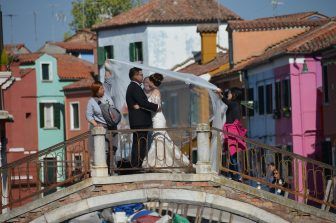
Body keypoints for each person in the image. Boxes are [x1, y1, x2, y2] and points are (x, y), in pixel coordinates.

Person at [135, 73, 191, 171]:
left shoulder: (156, 91)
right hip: (155, 118)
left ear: (153, 82)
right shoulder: (153, 91)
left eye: (150, 81)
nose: (148, 83)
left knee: (159, 139)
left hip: (158, 118)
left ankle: (159, 162)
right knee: (161, 139)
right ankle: (161, 161)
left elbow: (157, 107)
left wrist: (142, 107)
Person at [126, 67, 159, 168]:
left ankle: (137, 164)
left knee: (139, 143)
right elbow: (141, 102)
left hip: (139, 121)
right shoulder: (134, 87)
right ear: (135, 76)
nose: (142, 76)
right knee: (140, 144)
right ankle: (137, 165)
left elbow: (140, 103)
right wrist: (155, 107)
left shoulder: (134, 87)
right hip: (139, 121)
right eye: (140, 74)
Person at [86, 67, 117, 171]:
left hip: (113, 126)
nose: (103, 90)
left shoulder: (107, 94)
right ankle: (105, 171)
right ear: (96, 91)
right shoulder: (92, 101)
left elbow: (108, 80)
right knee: (105, 150)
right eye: (101, 89)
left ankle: (112, 169)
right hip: (102, 127)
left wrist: (107, 67)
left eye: (103, 88)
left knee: (114, 148)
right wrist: (96, 124)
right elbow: (89, 116)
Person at [217, 87, 247, 181]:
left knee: (233, 153)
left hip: (232, 132)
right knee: (231, 153)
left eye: (229, 93)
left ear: (234, 94)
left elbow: (227, 103)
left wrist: (221, 95)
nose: (228, 94)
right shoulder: (234, 105)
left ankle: (237, 176)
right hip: (230, 131)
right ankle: (232, 174)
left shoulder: (234, 104)